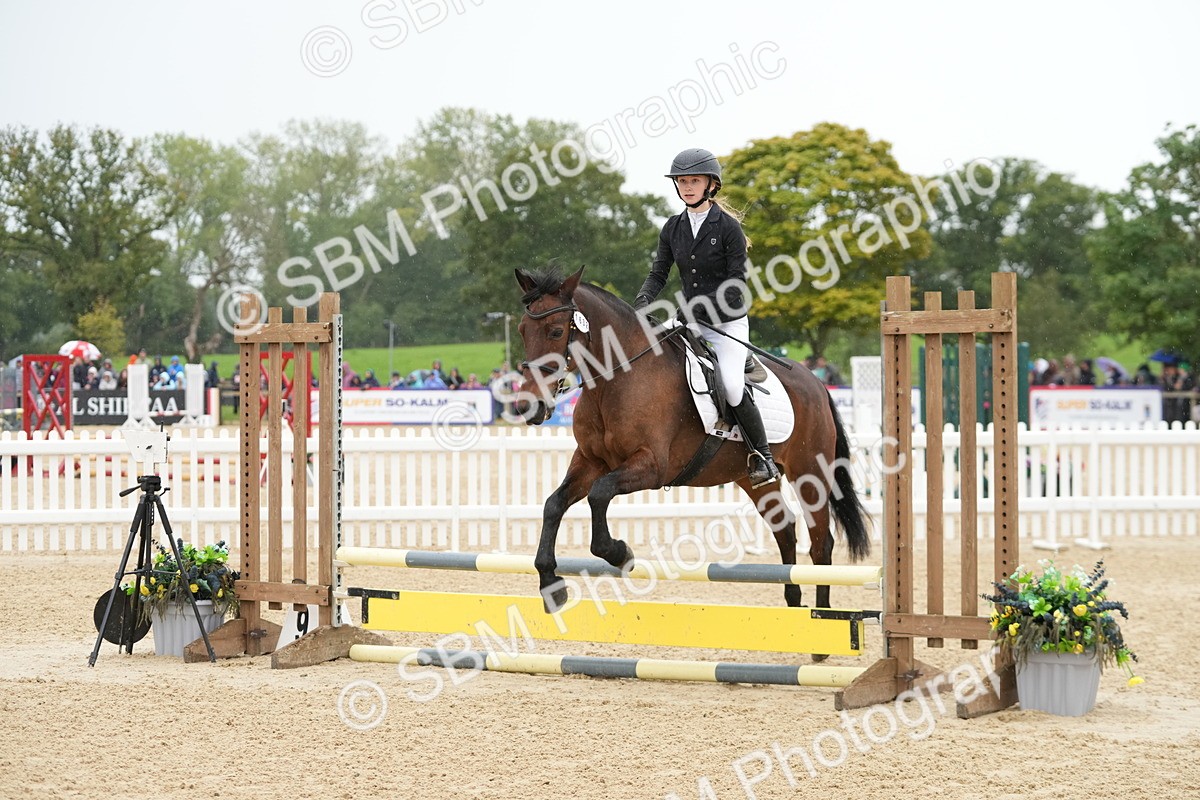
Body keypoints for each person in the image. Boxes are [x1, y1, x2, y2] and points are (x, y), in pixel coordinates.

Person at [633, 147, 778, 487]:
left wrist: (697, 308)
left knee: (732, 386)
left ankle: (763, 457)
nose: (687, 187)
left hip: (726, 322)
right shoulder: (673, 228)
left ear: (711, 185)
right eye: (682, 181)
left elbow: (736, 286)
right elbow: (659, 273)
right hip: (688, 321)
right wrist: (642, 300)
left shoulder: (728, 228)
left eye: (694, 181)